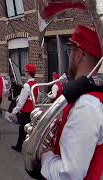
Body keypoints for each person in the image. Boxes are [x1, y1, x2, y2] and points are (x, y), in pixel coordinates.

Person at [40, 25, 103, 180]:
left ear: (79, 55)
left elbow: (69, 174)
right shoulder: (86, 97)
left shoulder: (87, 104)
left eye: (70, 51)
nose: (69, 56)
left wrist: (45, 156)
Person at [10, 64, 38, 152]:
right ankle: (22, 146)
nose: (25, 73)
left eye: (25, 71)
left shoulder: (27, 85)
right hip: (32, 110)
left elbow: (21, 102)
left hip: (26, 111)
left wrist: (14, 111)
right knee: (26, 129)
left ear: (28, 73)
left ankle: (20, 147)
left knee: (23, 129)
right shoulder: (35, 83)